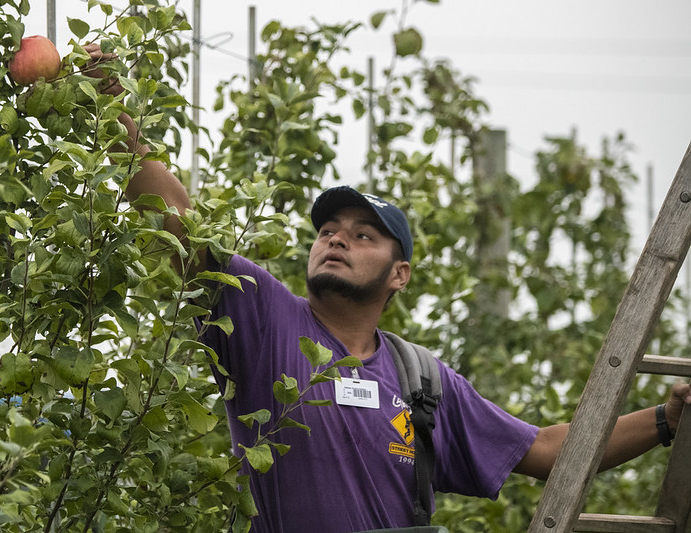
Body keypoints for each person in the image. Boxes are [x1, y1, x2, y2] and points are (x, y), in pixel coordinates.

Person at [84, 45, 691, 533]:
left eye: (364, 235)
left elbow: (551, 450)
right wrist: (117, 120)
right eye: (328, 230)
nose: (337, 240)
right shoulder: (264, 319)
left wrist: (665, 420)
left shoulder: (422, 381)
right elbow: (181, 231)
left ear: (399, 274)